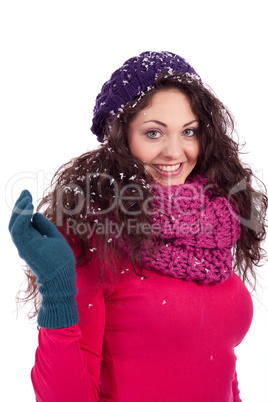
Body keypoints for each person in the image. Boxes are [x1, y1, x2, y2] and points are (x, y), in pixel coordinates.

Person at [9, 51, 267, 401]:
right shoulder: (96, 231)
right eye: (154, 133)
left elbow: (219, 369)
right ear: (121, 137)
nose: (175, 151)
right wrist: (57, 289)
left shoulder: (215, 223)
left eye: (188, 131)